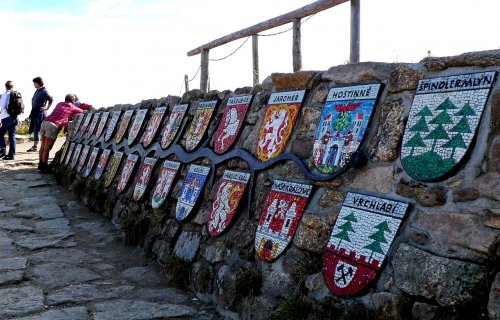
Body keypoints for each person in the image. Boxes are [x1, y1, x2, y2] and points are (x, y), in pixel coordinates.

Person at [38, 94, 83, 172]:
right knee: (47, 148)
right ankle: (44, 166)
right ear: (73, 101)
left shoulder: (59, 104)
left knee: (42, 146)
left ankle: (40, 164)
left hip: (45, 122)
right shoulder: (72, 106)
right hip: (53, 125)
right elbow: (82, 111)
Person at [28, 77, 53, 152]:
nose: (33, 84)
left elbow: (51, 99)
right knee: (36, 129)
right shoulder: (37, 91)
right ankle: (36, 146)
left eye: (34, 83)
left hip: (40, 113)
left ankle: (37, 146)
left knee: (39, 129)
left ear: (38, 83)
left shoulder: (44, 91)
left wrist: (46, 108)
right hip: (35, 112)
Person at [0, 81, 18, 160]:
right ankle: (11, 155)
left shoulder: (4, 95)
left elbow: (2, 106)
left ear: (5, 86)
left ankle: (3, 151)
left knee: (0, 134)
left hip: (6, 118)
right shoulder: (17, 94)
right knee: (12, 136)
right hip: (15, 118)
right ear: (12, 86)